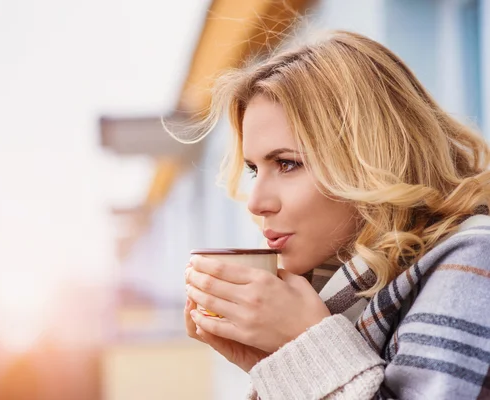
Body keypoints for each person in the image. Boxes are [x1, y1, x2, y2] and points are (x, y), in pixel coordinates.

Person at [176, 30, 490, 399]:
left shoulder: (473, 264)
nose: (256, 202)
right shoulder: (345, 285)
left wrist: (306, 345)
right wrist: (275, 360)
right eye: (253, 170)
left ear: (373, 159)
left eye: (288, 163)